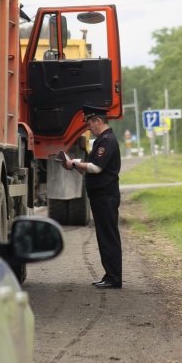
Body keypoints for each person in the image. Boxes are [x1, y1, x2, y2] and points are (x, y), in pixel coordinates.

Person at [61, 105, 122, 289]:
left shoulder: (107, 141)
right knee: (104, 236)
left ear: (98, 121)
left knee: (108, 237)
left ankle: (113, 278)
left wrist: (73, 164)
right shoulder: (102, 141)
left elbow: (96, 168)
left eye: (89, 123)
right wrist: (76, 166)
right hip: (100, 196)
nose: (88, 127)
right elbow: (93, 170)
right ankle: (110, 275)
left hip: (105, 196)